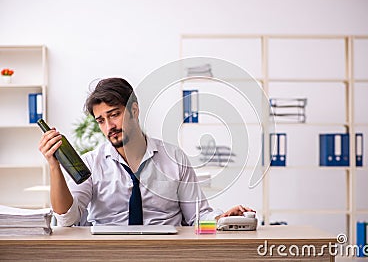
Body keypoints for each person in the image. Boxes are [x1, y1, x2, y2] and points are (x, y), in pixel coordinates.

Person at [39, 77, 254, 226]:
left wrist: (223, 219)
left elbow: (197, 216)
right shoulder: (91, 163)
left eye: (114, 115)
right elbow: (67, 219)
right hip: (108, 252)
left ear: (134, 110)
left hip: (166, 251)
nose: (109, 126)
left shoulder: (174, 158)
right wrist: (54, 166)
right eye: (101, 121)